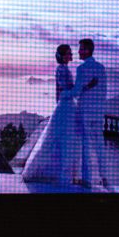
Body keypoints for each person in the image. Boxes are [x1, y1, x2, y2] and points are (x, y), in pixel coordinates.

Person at [22, 45, 81, 185]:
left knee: (62, 138)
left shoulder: (63, 69)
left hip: (66, 106)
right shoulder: (62, 69)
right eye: (68, 53)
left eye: (70, 53)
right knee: (65, 139)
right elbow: (66, 88)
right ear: (62, 55)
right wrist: (82, 86)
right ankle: (63, 175)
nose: (70, 55)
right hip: (66, 106)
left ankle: (62, 173)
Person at [72, 38, 108, 189]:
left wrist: (82, 88)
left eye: (81, 49)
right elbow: (104, 91)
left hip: (85, 111)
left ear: (87, 50)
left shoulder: (81, 69)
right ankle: (104, 177)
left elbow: (76, 92)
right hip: (99, 112)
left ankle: (87, 179)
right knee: (100, 144)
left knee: (86, 145)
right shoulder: (101, 68)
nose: (78, 51)